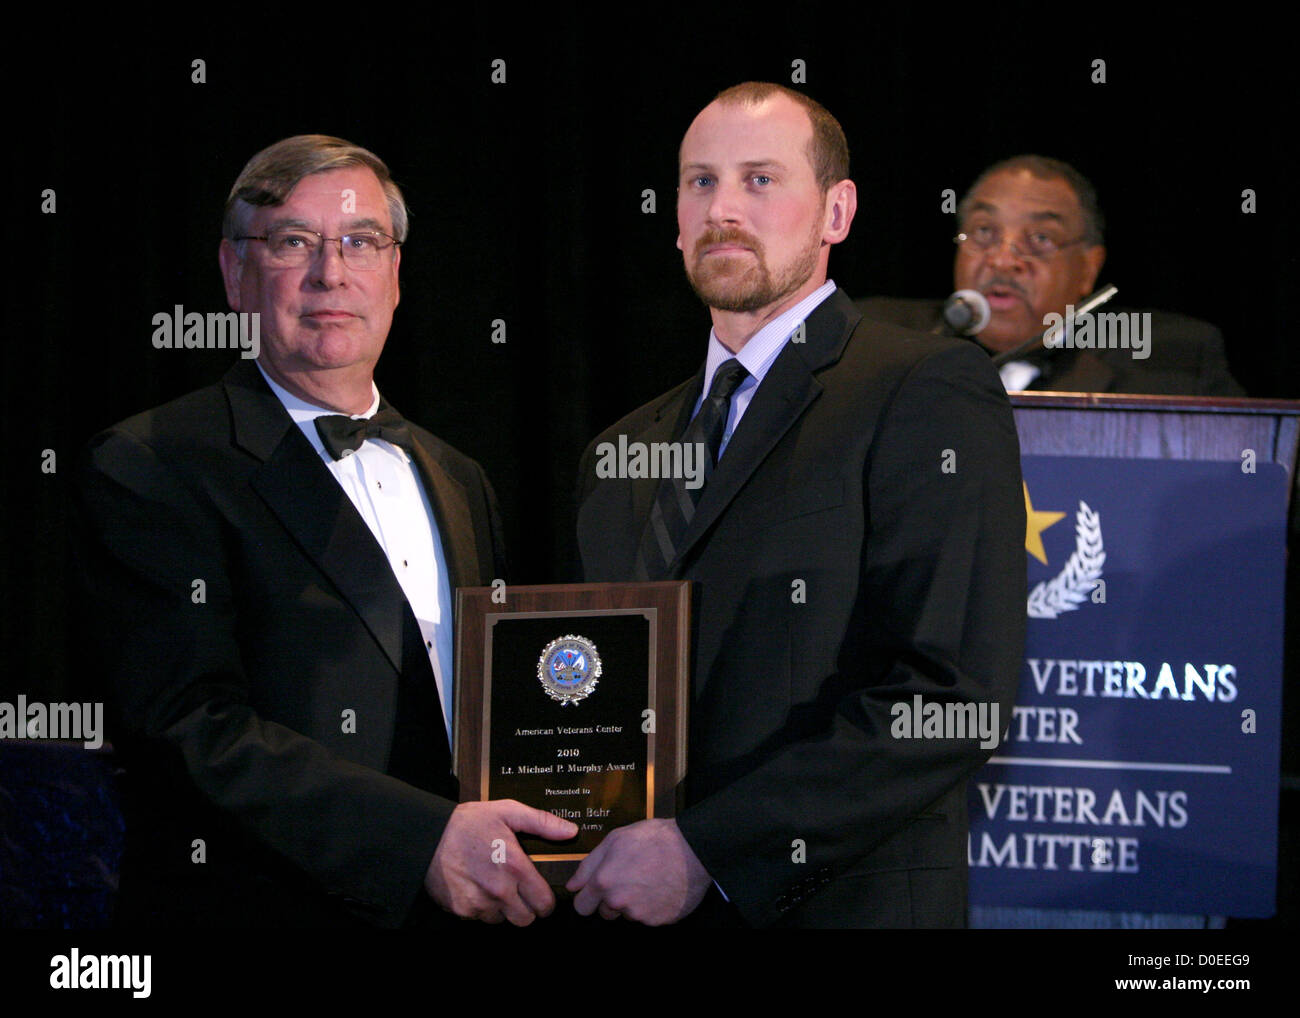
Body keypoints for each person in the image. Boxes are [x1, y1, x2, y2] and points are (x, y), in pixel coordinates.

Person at [76, 135, 577, 928]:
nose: (330, 273)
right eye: (292, 243)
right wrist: (420, 843)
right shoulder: (153, 463)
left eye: (361, 242)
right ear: (235, 275)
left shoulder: (459, 477)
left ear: (397, 274)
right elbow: (188, 730)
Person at [570, 84, 1026, 927]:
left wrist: (711, 849)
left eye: (760, 179)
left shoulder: (921, 389)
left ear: (836, 212)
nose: (723, 209)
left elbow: (953, 694)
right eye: (699, 182)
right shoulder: (618, 451)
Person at [858, 155, 1245, 395]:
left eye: (1040, 238)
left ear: (1089, 268)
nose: (1004, 260)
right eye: (984, 232)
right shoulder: (874, 339)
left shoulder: (1172, 362)